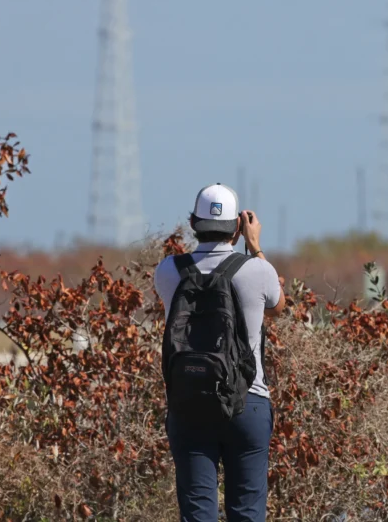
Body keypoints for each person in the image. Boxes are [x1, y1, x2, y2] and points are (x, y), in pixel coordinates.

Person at [154, 183, 285, 522]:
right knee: (248, 513)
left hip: (189, 402)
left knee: (198, 514)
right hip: (248, 402)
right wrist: (254, 247)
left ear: (194, 223)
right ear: (237, 227)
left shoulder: (168, 270)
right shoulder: (258, 271)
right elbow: (278, 306)